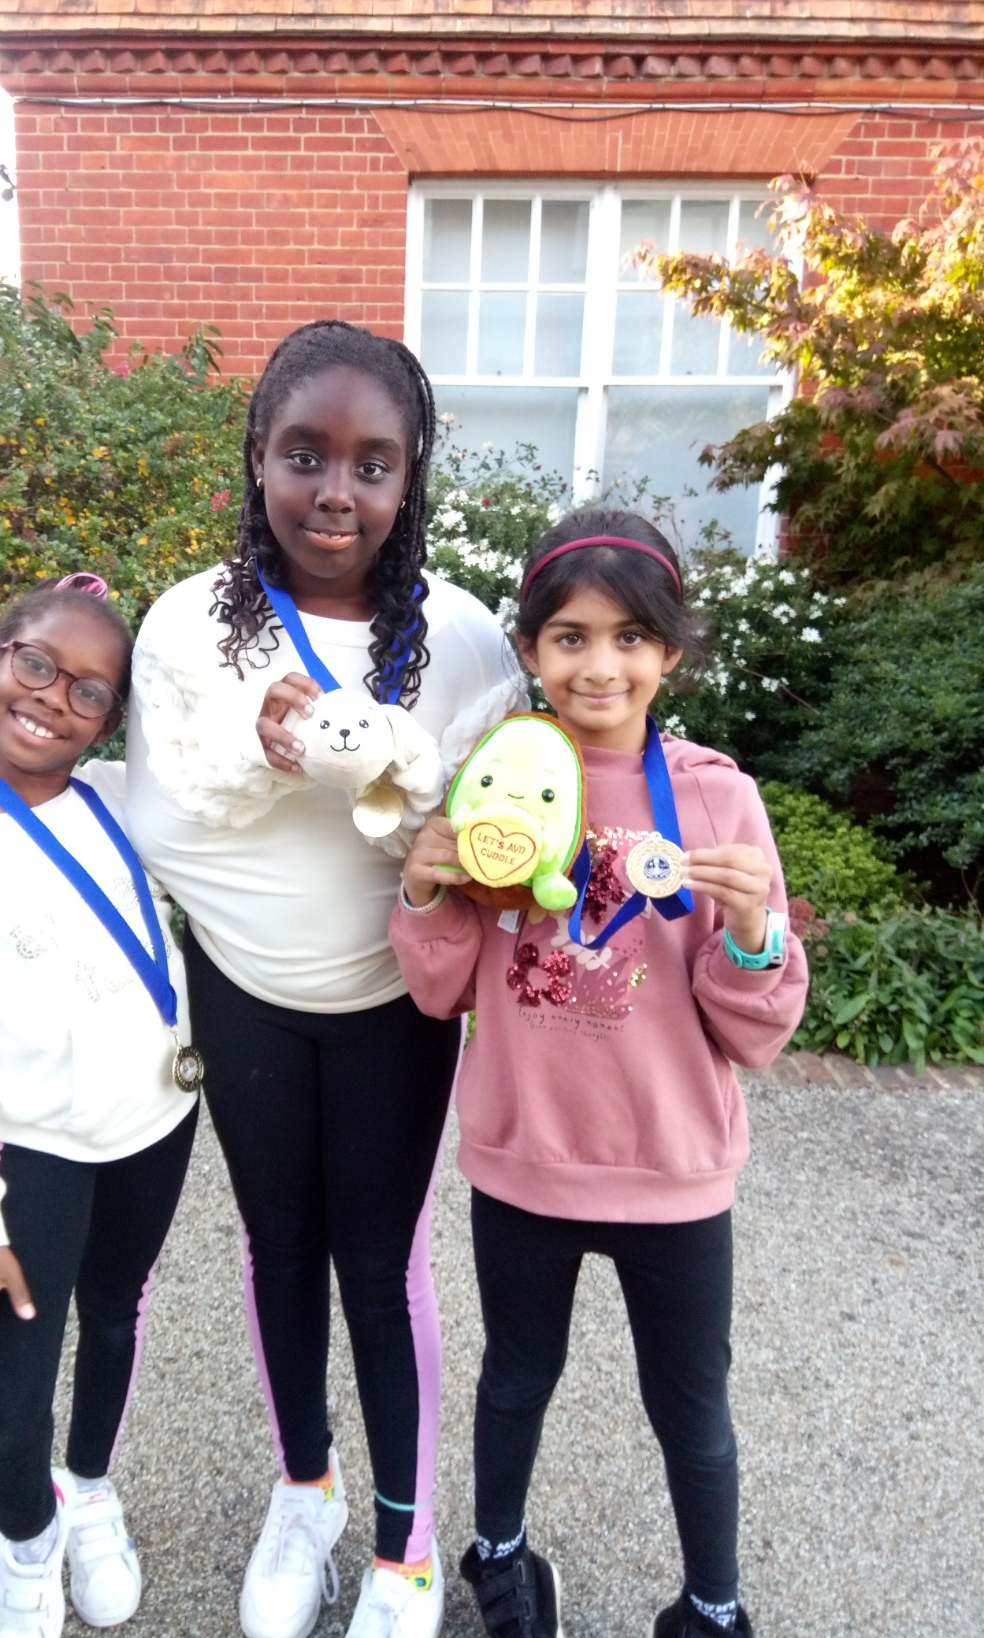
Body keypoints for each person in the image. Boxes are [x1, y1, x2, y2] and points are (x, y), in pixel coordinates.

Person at [126, 321, 525, 1638]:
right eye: (305, 454)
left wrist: (414, 798)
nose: (335, 492)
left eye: (372, 462)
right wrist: (281, 751)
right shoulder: (190, 626)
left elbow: (501, 824)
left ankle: (405, 1544)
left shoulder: (462, 640)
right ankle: (305, 1488)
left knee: (380, 1256)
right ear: (257, 458)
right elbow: (168, 817)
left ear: (410, 480)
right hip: (243, 992)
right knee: (278, 1245)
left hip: (393, 1006)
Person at [390, 509, 810, 1638]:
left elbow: (752, 1028)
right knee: (515, 1377)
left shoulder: (717, 797)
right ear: (529, 650)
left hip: (672, 1170)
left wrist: (754, 934)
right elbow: (441, 989)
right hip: (525, 1162)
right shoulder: (491, 788)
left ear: (668, 652)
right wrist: (427, 893)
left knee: (691, 1409)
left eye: (629, 637)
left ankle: (712, 1605)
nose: (598, 664)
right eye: (569, 637)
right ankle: (498, 1555)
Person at [0, 574, 200, 1638]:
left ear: (113, 719)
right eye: (37, 665)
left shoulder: (118, 797)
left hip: (156, 1123)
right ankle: (27, 1543)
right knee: (10, 1385)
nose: (56, 699)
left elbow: (222, 781)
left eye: (91, 692)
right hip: (38, 1155)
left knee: (114, 1316)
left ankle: (90, 1490)